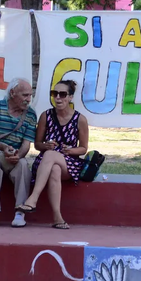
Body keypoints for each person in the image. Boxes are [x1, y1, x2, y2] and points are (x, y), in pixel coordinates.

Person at [16, 80, 89, 229]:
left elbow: (83, 148)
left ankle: (33, 199)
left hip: (69, 162)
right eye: (54, 94)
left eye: (62, 94)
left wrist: (70, 150)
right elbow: (37, 145)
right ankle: (58, 218)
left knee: (51, 156)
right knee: (52, 165)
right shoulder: (46, 116)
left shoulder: (80, 119)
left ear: (70, 97)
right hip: (45, 163)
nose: (58, 98)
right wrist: (46, 145)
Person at [0, 78, 37, 228]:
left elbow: (26, 145)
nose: (28, 99)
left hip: (14, 157)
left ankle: (20, 212)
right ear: (12, 93)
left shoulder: (31, 115)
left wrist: (19, 156)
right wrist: (3, 147)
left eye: (30, 95)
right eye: (25, 95)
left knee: (24, 165)